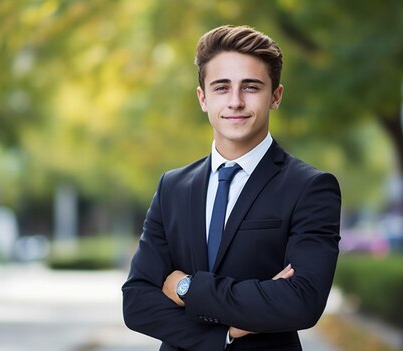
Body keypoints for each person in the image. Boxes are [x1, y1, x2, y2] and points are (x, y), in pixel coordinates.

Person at [122, 25, 341, 351]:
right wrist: (226, 332)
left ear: (276, 96)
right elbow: (137, 302)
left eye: (251, 87)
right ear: (203, 98)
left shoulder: (310, 188)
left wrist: (186, 287)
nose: (235, 101)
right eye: (222, 87)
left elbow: (302, 301)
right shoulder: (173, 187)